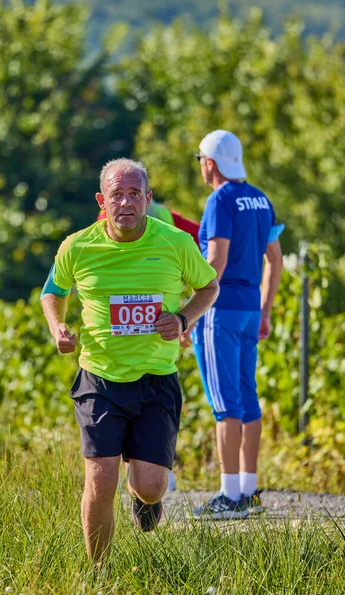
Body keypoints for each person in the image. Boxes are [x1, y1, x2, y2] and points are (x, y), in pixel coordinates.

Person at [41, 158, 219, 562]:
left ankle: (146, 497)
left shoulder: (175, 242)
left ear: (147, 199)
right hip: (100, 378)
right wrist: (58, 328)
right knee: (100, 479)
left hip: (156, 379)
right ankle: (98, 575)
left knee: (151, 486)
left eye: (134, 194)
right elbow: (52, 291)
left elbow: (209, 287)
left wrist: (182, 318)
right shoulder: (77, 246)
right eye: (117, 195)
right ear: (102, 200)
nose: (126, 202)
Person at [189, 130, 284, 520]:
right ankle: (248, 490)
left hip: (219, 308)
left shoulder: (219, 199)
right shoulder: (260, 198)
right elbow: (274, 260)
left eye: (199, 159)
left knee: (224, 401)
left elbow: (216, 262)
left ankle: (229, 498)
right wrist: (265, 311)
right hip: (247, 309)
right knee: (247, 396)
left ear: (210, 163)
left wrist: (187, 312)